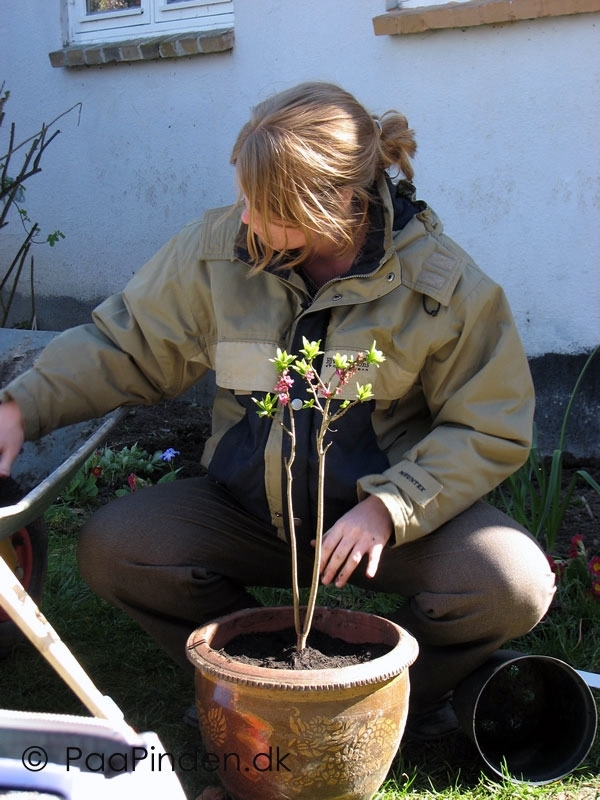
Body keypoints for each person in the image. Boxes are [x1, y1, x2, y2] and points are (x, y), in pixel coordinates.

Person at [0, 82, 554, 743]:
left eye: (265, 207)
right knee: (117, 547)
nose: (245, 219)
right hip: (247, 512)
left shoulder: (444, 289)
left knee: (508, 582)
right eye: (244, 196)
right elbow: (126, 345)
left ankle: (381, 704)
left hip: (387, 530)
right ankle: (243, 687)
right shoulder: (215, 253)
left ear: (330, 207)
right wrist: (19, 408)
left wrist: (390, 507)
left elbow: (490, 424)